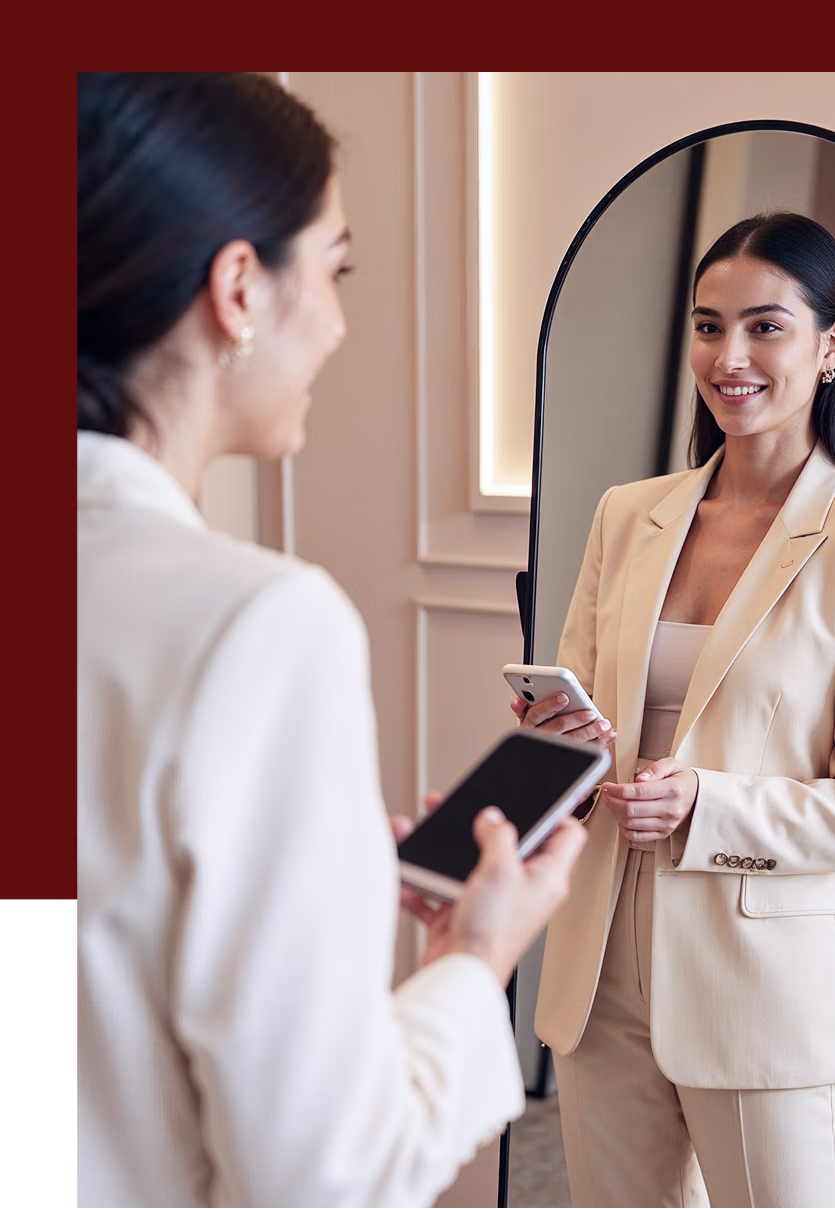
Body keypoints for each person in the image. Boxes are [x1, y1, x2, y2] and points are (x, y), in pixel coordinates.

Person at [77, 72, 586, 1209]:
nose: (343, 321)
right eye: (337, 268)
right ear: (240, 288)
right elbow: (321, 1170)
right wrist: (471, 960)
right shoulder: (256, 625)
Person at [512, 212, 835, 1208]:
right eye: (709, 327)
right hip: (600, 971)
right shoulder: (630, 513)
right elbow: (577, 723)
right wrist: (552, 750)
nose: (729, 356)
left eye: (765, 327)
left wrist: (708, 805)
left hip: (755, 985)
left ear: (832, 345)